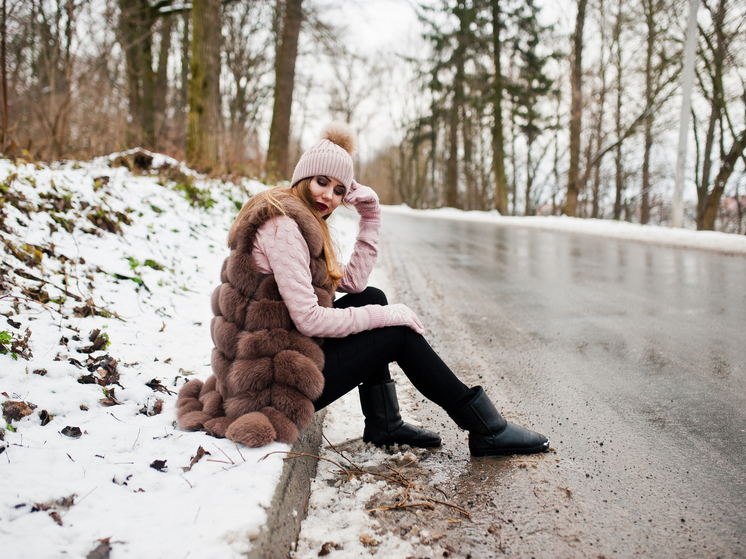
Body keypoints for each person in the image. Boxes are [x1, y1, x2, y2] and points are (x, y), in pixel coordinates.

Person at [176, 122, 549, 457]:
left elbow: (353, 284)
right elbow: (308, 319)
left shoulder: (294, 217)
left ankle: (383, 424)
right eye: (322, 182)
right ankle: (486, 428)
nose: (329, 196)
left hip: (275, 362)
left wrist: (370, 217)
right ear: (303, 177)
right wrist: (387, 318)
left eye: (339, 190)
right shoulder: (283, 227)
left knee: (373, 298)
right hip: (272, 388)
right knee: (397, 333)